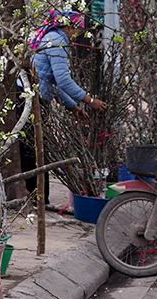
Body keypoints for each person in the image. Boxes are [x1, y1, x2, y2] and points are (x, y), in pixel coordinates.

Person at [25, 10, 107, 207]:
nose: (77, 34)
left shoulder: (49, 38)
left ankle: (39, 199)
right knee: (33, 150)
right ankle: (36, 199)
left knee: (35, 149)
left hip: (36, 99)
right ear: (69, 27)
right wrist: (89, 100)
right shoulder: (57, 40)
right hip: (34, 103)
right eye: (77, 30)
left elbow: (53, 82)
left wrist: (73, 107)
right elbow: (63, 80)